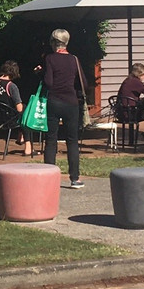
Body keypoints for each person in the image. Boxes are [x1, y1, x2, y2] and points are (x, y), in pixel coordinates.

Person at [42, 28, 85, 188]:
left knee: (51, 139)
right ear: (66, 42)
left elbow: (49, 82)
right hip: (71, 103)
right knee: (72, 140)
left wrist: (41, 74)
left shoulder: (50, 58)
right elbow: (84, 83)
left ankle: (49, 178)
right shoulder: (74, 59)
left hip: (54, 101)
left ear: (53, 42)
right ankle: (74, 178)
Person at [0, 60, 33, 156]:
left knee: (21, 112)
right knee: (25, 111)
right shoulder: (11, 86)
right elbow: (19, 109)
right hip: (7, 120)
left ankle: (20, 137)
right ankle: (27, 146)